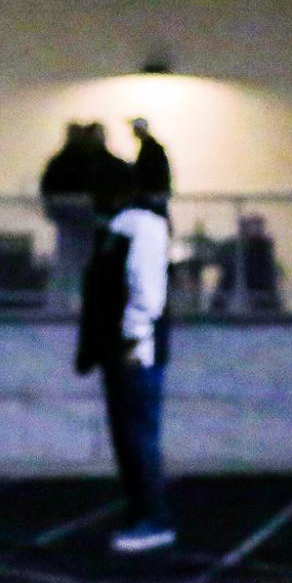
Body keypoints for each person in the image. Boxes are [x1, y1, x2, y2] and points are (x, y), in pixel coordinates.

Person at [75, 161, 175, 552]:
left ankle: (154, 518)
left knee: (137, 436)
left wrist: (134, 341)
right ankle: (141, 513)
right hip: (120, 349)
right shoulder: (117, 228)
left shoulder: (140, 227)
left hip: (134, 350)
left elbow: (145, 292)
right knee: (127, 436)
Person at [132, 117, 172, 206]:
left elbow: (149, 171)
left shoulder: (151, 149)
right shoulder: (153, 147)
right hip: (158, 193)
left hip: (154, 195)